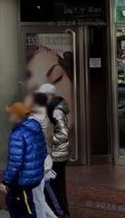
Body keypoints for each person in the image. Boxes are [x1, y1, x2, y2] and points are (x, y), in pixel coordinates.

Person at [0, 102, 46, 218]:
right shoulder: (35, 129)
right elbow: (43, 152)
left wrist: (6, 181)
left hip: (22, 180)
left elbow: (15, 162)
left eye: (11, 114)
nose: (9, 116)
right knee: (26, 205)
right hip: (32, 176)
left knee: (22, 209)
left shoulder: (19, 134)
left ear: (17, 116)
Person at [40, 83, 71, 218]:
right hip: (55, 153)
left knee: (53, 187)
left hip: (56, 155)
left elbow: (64, 134)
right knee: (55, 186)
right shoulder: (51, 109)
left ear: (49, 96)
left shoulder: (56, 111)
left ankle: (60, 214)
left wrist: (50, 139)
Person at [26, 93, 55, 218]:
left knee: (38, 199)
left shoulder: (35, 118)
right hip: (44, 159)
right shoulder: (44, 114)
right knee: (39, 197)